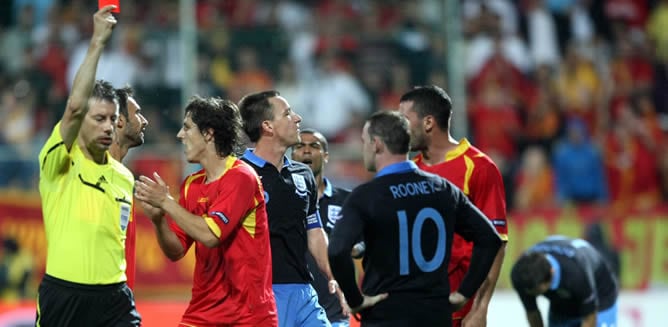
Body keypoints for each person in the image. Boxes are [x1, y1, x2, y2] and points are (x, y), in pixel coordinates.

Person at [328, 110, 503, 327]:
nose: (363, 149)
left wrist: (355, 300)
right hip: (435, 316)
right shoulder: (443, 189)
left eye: (364, 142)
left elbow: (337, 251)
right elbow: (490, 239)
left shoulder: (366, 196)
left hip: (386, 316)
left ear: (377, 144)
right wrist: (464, 293)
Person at [36, 6, 142, 326]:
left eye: (112, 119)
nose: (109, 126)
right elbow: (74, 106)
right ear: (81, 122)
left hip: (115, 298)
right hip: (65, 296)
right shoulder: (59, 162)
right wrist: (97, 42)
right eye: (99, 119)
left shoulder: (124, 176)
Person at [134, 96, 277, 326]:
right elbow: (176, 251)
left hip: (247, 315)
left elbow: (211, 236)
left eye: (187, 127)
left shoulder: (241, 177)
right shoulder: (192, 184)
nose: (180, 135)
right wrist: (160, 221)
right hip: (202, 312)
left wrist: (167, 202)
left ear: (209, 134)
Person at [398, 85, 509, 327]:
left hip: (460, 305)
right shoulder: (409, 171)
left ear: (428, 123)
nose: (399, 129)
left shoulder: (478, 168)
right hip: (416, 305)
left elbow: (496, 241)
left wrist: (480, 309)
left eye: (404, 120)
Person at [238, 90, 346, 327]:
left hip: (304, 292)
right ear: (268, 126)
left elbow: (314, 230)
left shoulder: (302, 173)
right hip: (261, 293)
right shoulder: (239, 174)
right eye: (287, 113)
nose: (297, 118)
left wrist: (333, 275)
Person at [291, 128, 355, 327]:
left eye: (314, 146)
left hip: (334, 309)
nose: (307, 151)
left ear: (326, 155)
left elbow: (364, 245)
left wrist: (353, 247)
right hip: (292, 307)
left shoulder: (347, 201)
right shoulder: (283, 199)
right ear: (291, 155)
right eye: (300, 146)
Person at [511, 236, 619, 327]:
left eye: (536, 291)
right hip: (563, 301)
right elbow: (532, 312)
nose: (529, 293)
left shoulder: (576, 274)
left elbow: (590, 317)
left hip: (601, 294)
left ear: (552, 273)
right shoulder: (521, 276)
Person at [110, 85, 149, 290]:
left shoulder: (125, 177)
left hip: (120, 303)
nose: (145, 121)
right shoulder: (91, 173)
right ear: (120, 121)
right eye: (138, 113)